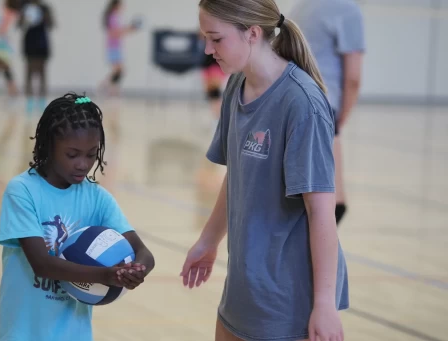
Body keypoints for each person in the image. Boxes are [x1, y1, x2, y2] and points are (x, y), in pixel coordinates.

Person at [180, 1, 349, 341]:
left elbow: (321, 213)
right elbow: (238, 176)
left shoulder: (302, 104)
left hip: (289, 297)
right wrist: (208, 240)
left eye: (216, 38)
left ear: (252, 34)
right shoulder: (235, 87)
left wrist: (324, 304)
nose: (207, 49)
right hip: (245, 285)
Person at [0, 92, 155, 341]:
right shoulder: (22, 190)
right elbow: (42, 264)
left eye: (91, 154)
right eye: (72, 154)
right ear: (49, 145)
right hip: (23, 332)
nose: (83, 164)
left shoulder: (97, 198)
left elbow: (143, 252)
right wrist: (105, 275)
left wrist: (135, 270)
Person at [290, 0, 365, 225]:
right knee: (330, 202)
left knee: (308, 200)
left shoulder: (303, 5)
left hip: (295, 99)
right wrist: (341, 118)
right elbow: (353, 78)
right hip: (322, 102)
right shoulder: (347, 10)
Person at [18, 0, 54, 116]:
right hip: (29, 45)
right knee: (29, 73)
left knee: (41, 74)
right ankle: (30, 100)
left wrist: (43, 17)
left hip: (41, 44)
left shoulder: (44, 8)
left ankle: (42, 100)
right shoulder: (24, 7)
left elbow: (51, 24)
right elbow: (19, 24)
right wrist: (24, 18)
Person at [99, 0, 141, 98]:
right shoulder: (113, 17)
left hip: (116, 47)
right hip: (113, 47)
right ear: (116, 6)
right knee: (119, 70)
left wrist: (130, 29)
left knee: (119, 71)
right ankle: (105, 87)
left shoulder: (115, 17)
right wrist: (129, 29)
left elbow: (119, 31)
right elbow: (115, 32)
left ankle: (110, 89)